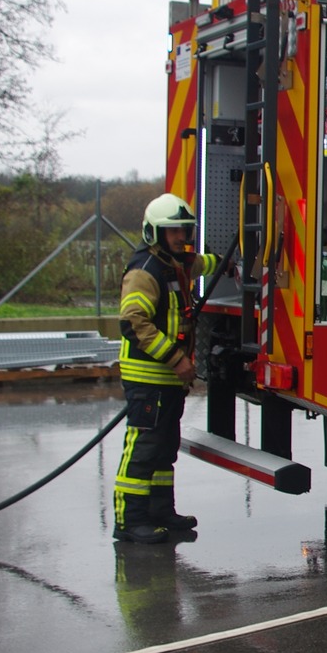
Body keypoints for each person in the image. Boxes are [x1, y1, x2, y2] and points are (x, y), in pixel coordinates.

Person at [114, 193, 222, 544]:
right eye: (173, 231)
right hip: (148, 378)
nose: (181, 237)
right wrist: (177, 359)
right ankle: (129, 521)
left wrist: (227, 262)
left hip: (167, 381)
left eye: (184, 230)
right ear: (154, 233)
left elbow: (202, 263)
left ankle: (161, 513)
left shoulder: (177, 263)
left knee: (164, 448)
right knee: (143, 450)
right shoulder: (145, 271)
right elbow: (133, 322)